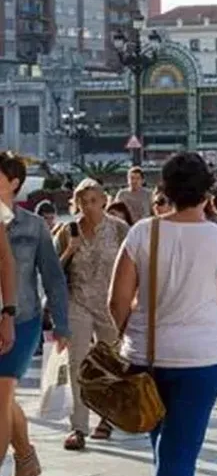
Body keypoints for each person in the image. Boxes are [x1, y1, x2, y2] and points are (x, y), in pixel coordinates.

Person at [109, 152, 217, 476]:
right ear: (208, 193)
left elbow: (117, 300)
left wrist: (128, 332)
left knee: (167, 451)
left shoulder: (142, 232)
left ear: (165, 190)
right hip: (200, 359)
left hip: (146, 356)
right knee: (178, 454)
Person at [0, 152, 67, 476]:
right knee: (4, 399)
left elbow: (53, 277)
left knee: (2, 394)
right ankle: (26, 458)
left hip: (21, 318)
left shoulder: (33, 225)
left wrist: (62, 324)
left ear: (13, 182)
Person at [55, 179, 130, 450]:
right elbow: (53, 270)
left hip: (110, 304)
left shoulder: (119, 229)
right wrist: (70, 249)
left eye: (93, 201)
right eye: (83, 202)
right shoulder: (68, 230)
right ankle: (78, 427)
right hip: (78, 301)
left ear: (104, 201)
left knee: (111, 362)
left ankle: (107, 418)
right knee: (77, 363)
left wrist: (131, 301)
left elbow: (133, 265)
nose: (88, 207)